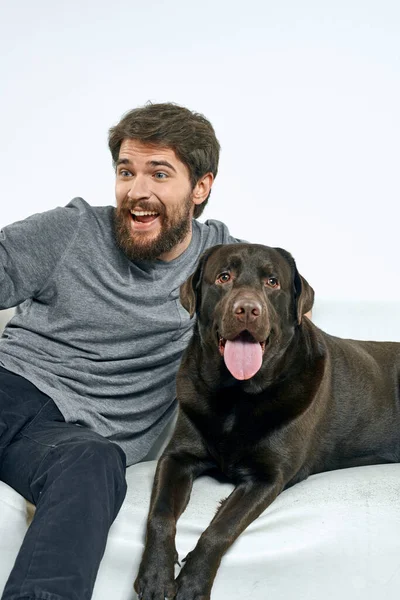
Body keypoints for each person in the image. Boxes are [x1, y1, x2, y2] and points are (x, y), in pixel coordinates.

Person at [0, 102, 242, 600]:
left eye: (159, 173)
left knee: (96, 465)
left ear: (201, 187)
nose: (137, 191)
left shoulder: (218, 270)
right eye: (126, 171)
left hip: (73, 442)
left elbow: (281, 301)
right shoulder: (73, 230)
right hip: (11, 387)